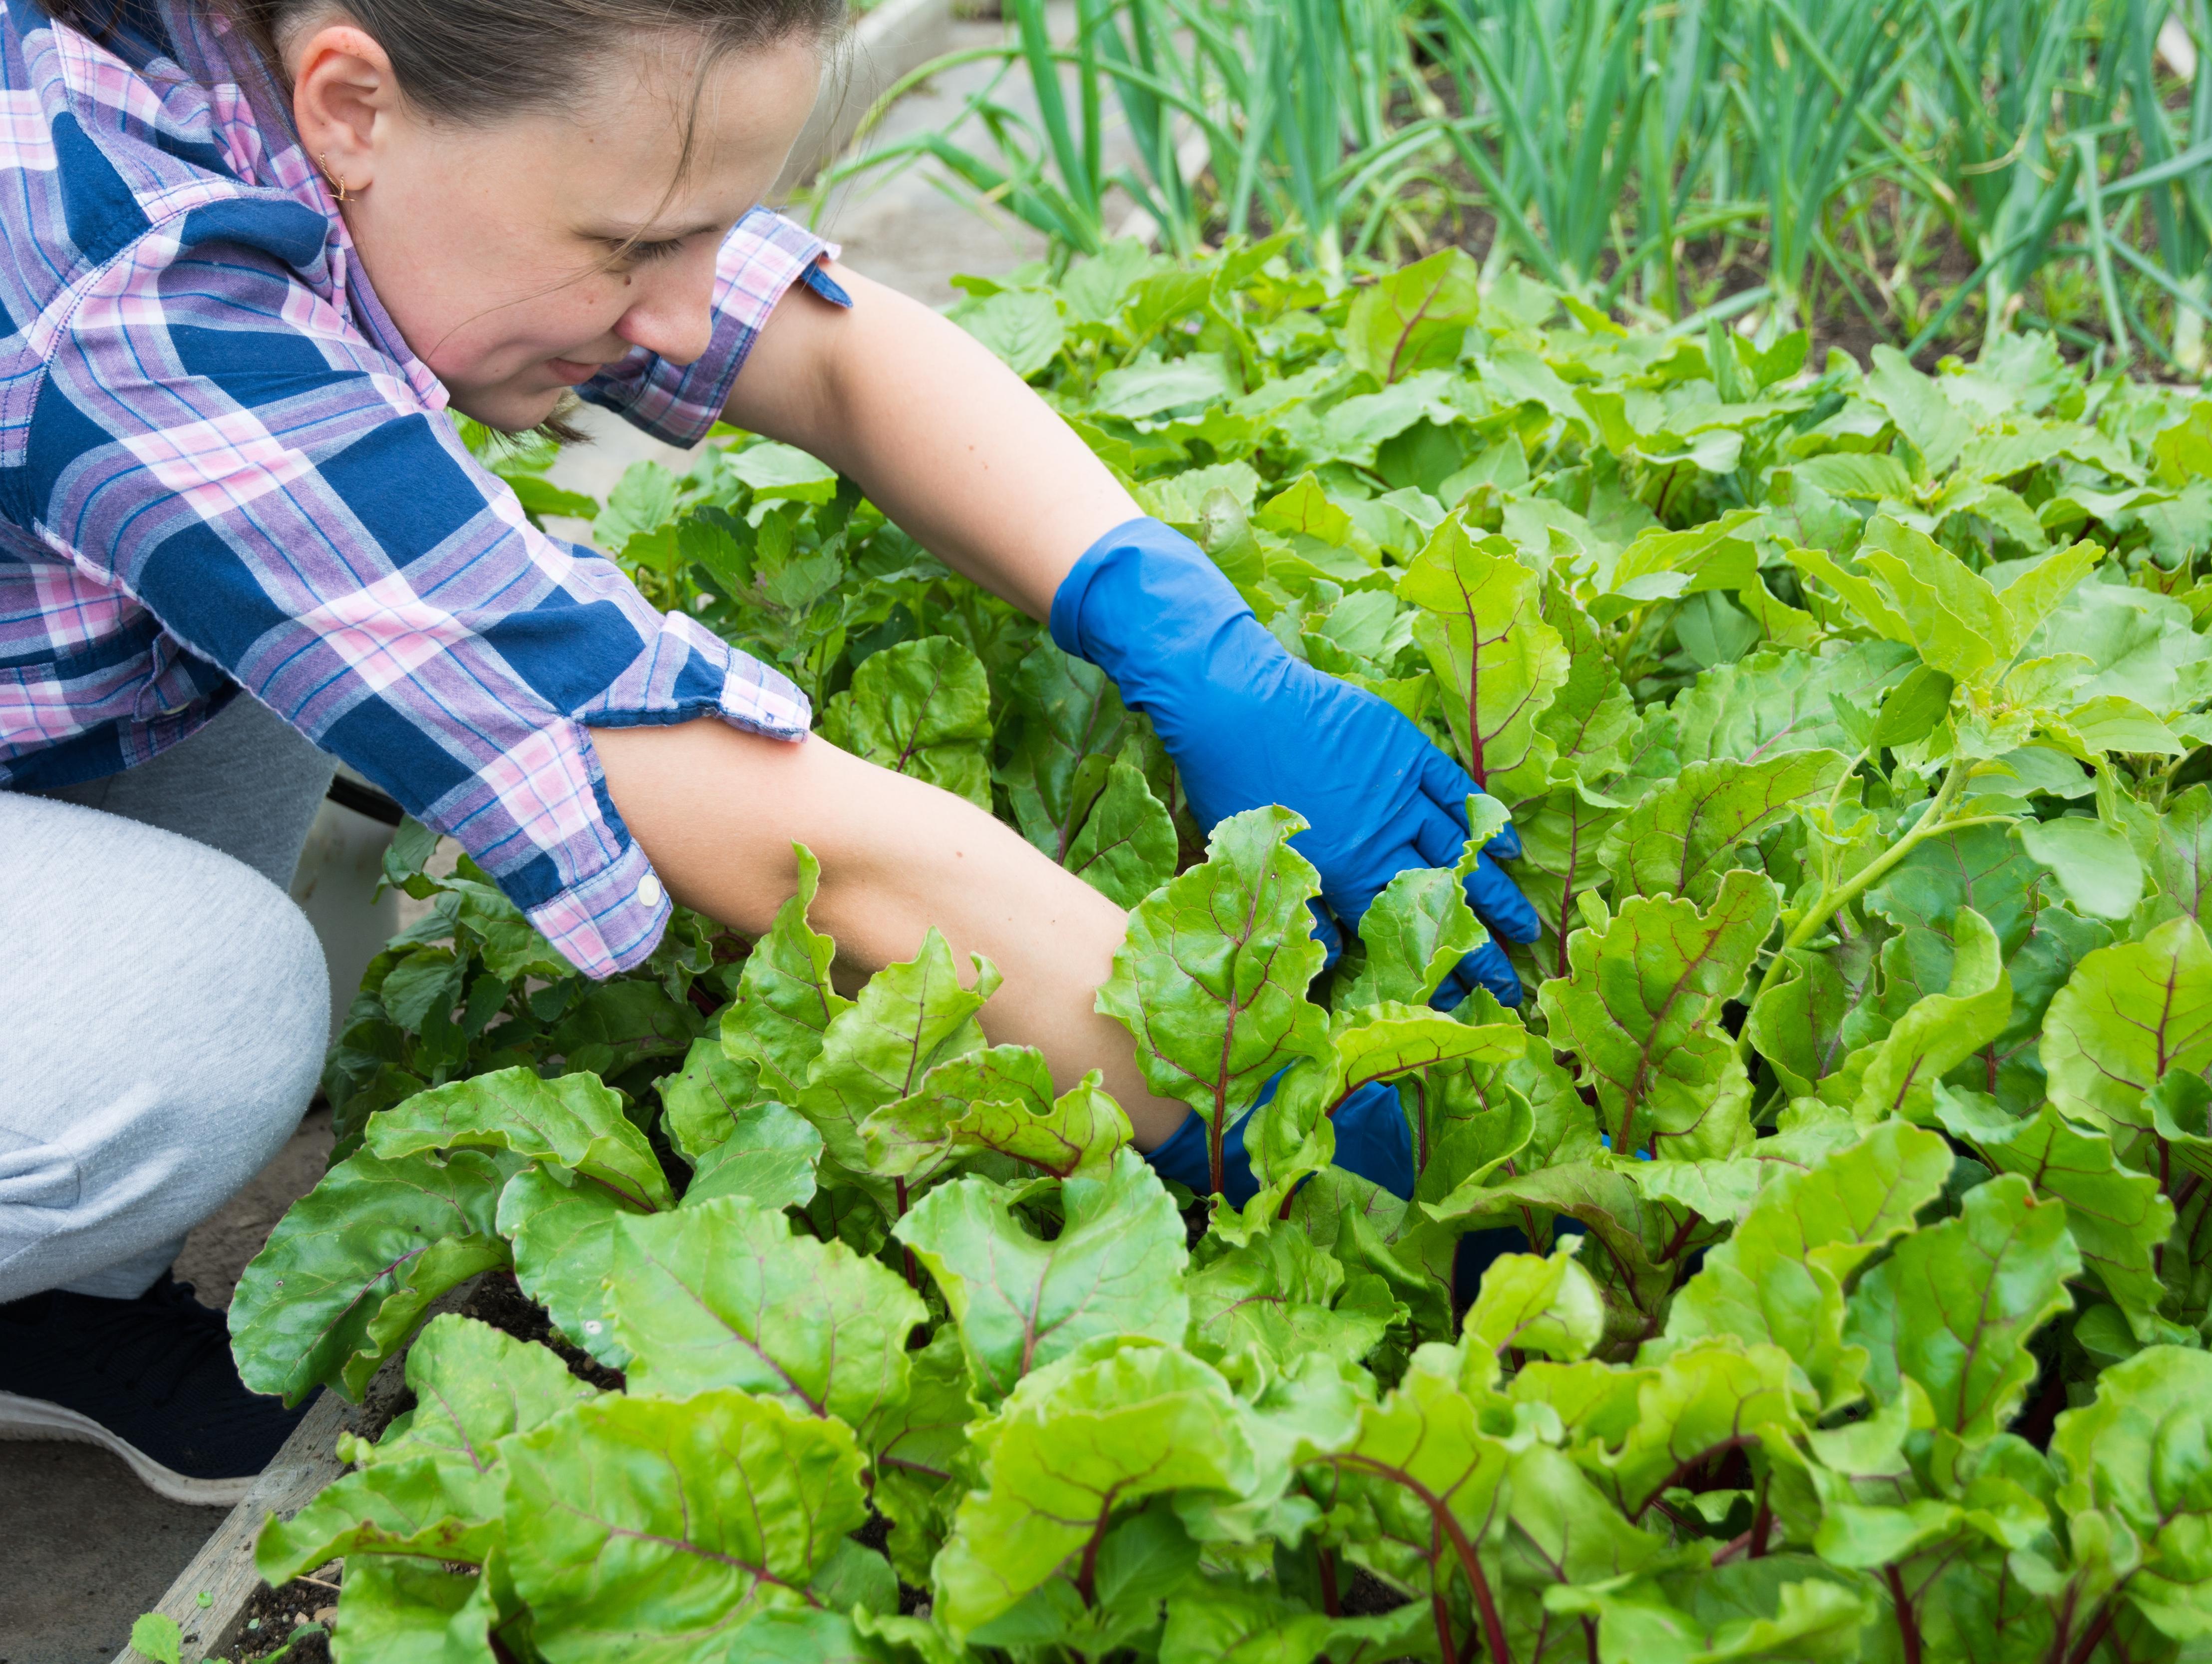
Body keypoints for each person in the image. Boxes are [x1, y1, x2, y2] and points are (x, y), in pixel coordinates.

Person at [0, 0, 1538, 1504]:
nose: (679, 311)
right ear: (350, 103)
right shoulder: (131, 284)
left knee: (305, 591)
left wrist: (1190, 632)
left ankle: (47, 1306)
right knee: (207, 1012)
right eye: (630, 246)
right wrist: (1269, 1087)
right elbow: (752, 812)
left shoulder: (303, 87)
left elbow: (832, 350)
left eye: (704, 233)